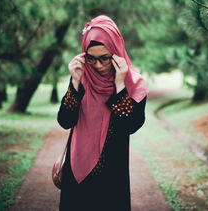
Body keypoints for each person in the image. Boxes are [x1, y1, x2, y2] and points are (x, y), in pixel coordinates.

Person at [57, 15, 148, 211]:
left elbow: (130, 126)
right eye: (91, 58)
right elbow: (65, 120)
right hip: (76, 171)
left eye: (104, 58)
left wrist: (120, 85)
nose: (97, 66)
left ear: (115, 52)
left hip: (112, 175)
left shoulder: (134, 85)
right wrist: (74, 83)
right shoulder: (81, 79)